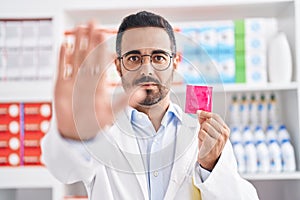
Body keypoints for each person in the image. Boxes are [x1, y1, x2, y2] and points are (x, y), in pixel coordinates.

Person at [41, 11, 259, 200]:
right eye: (134, 58)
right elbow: (63, 170)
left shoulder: (202, 133)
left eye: (158, 57)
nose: (147, 69)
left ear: (175, 62)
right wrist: (74, 136)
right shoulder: (101, 131)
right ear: (119, 66)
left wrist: (211, 167)